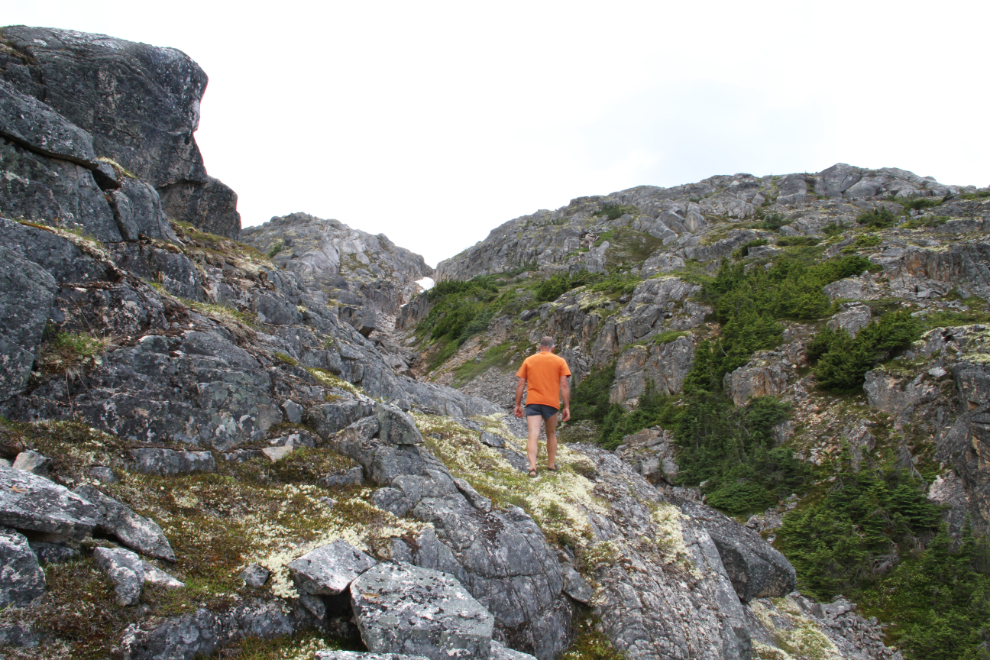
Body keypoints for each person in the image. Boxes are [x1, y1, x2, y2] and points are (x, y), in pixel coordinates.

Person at [514, 336, 571, 478]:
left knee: (533, 434)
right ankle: (551, 465)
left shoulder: (529, 360)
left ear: (539, 347)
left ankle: (532, 468)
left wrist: (517, 404)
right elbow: (564, 385)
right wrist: (566, 407)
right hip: (551, 403)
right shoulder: (560, 361)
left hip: (533, 402)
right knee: (551, 433)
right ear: (553, 348)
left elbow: (521, 383)